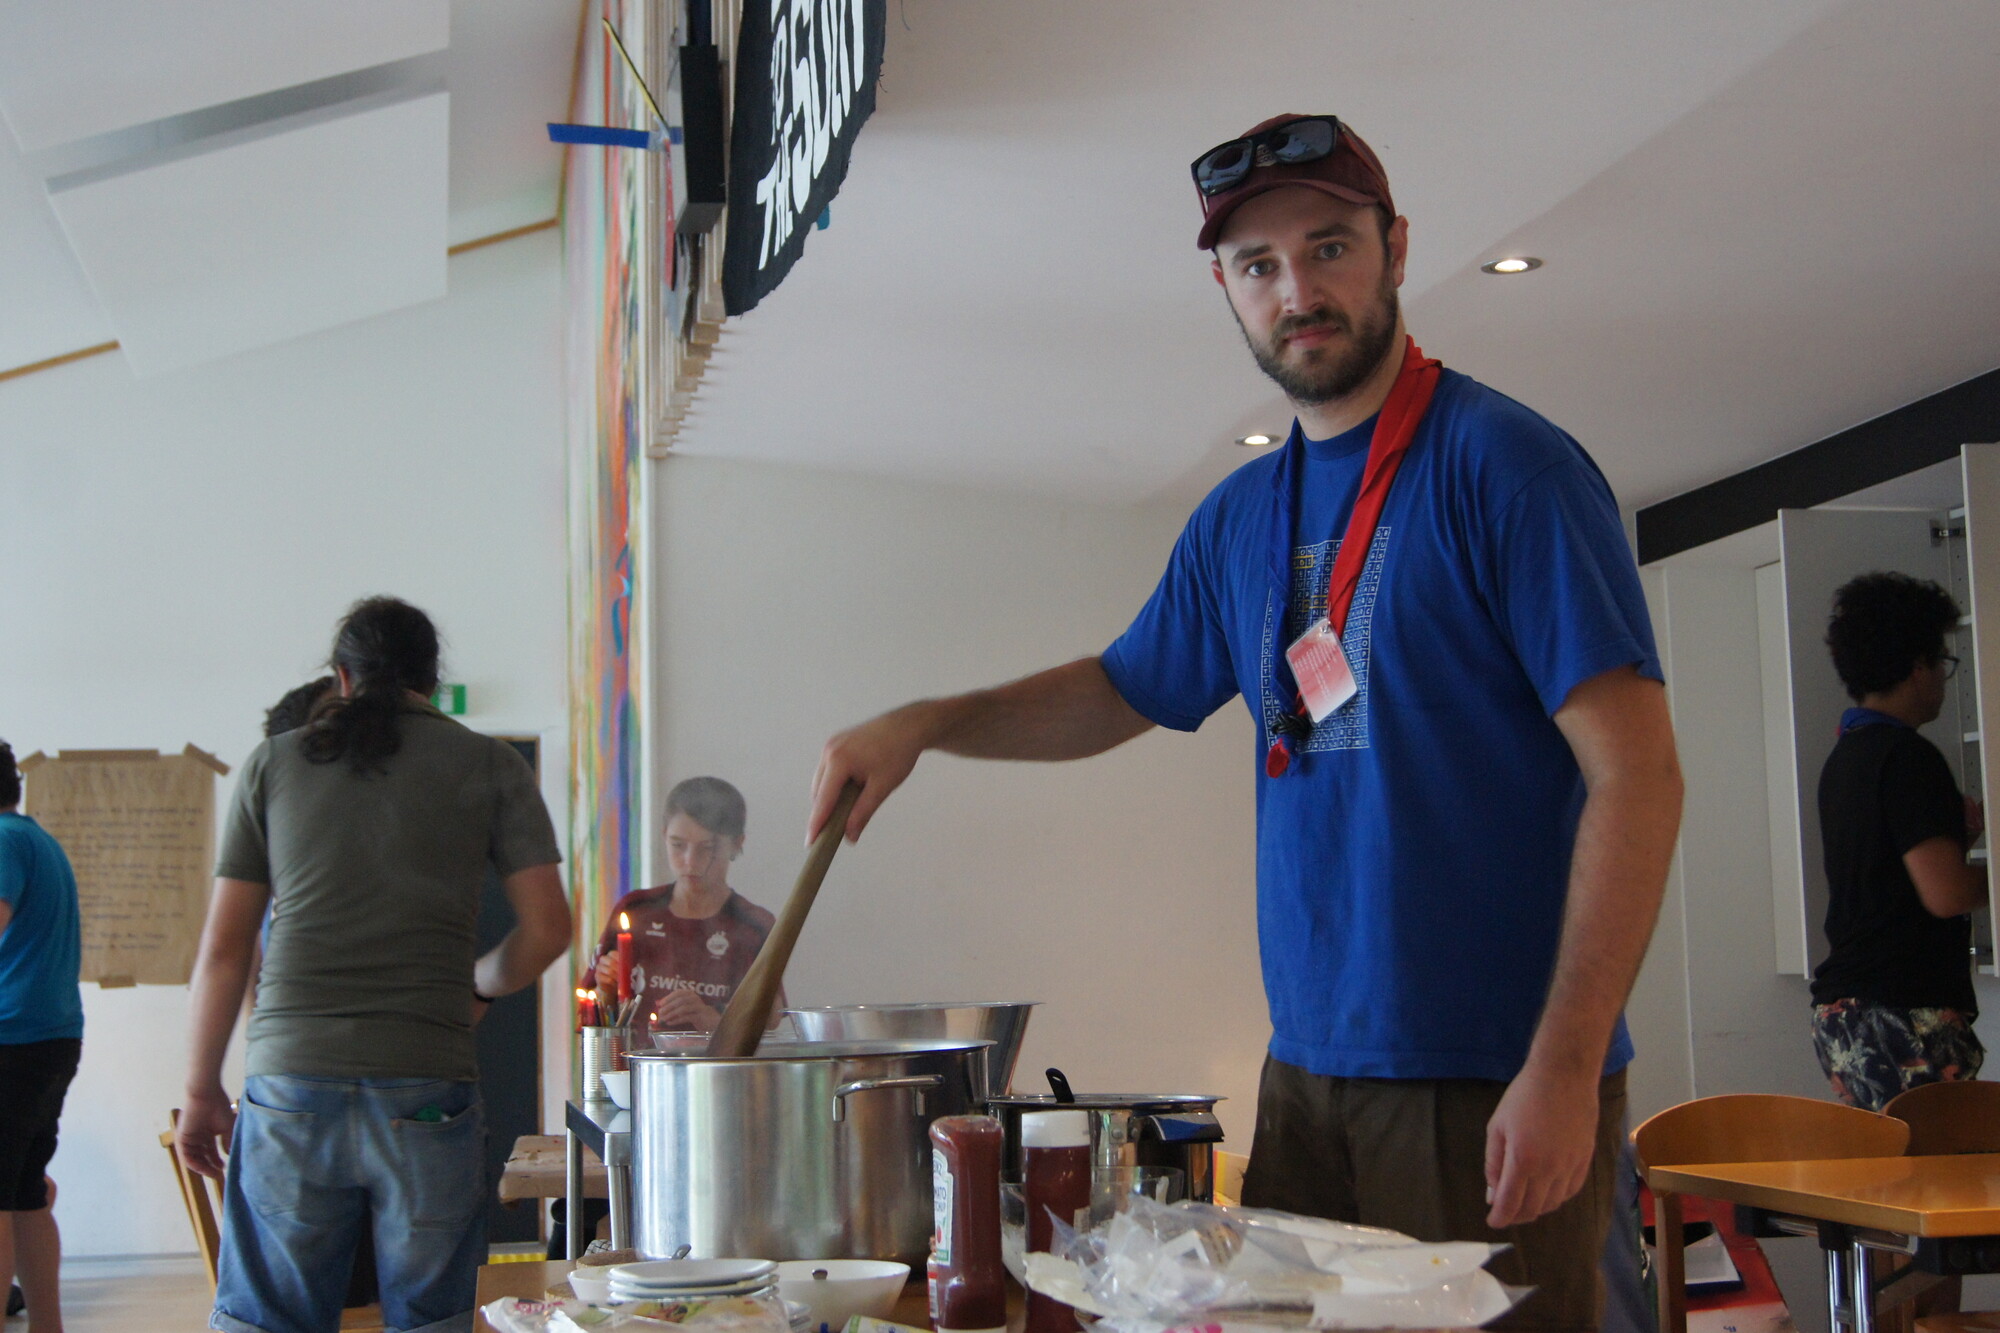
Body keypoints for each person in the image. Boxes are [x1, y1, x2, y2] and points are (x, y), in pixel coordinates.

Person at [809, 114, 1682, 1332]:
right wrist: (928, 720)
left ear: (1394, 249)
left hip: (1488, 1075)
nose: (1297, 291)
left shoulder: (1506, 470)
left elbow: (1637, 778)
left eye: (1328, 248)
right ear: (1223, 287)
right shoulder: (1237, 517)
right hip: (1306, 1075)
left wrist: (1566, 1065)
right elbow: (1120, 688)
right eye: (1257, 265)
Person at [177, 597, 571, 1333]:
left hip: (292, 1082)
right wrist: (479, 985)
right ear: (432, 679)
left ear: (341, 677)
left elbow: (225, 951)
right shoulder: (490, 765)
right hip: (428, 1082)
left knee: (271, 1319)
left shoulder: (274, 762)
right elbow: (548, 929)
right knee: (431, 1319)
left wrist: (201, 1089)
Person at [1812, 572, 1984, 1110]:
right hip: (1903, 1012)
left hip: (1845, 1014)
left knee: (1893, 1161)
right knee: (1942, 1161)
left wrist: (1955, 838)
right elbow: (1946, 894)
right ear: (1917, 667)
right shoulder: (1909, 758)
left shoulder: (1846, 757)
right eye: (1942, 663)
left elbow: (1886, 878)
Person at [0, 739, 83, 1333]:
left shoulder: (3, 840)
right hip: (51, 1038)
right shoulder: (37, 840)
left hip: (11, 1038)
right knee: (26, 1192)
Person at [592, 777, 777, 1034]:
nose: (690, 862)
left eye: (707, 848)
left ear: (737, 844)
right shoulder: (636, 910)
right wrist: (606, 989)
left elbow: (770, 1018)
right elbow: (591, 1010)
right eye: (678, 845)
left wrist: (710, 1019)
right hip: (635, 1059)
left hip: (715, 1060)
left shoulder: (753, 924)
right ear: (664, 835)